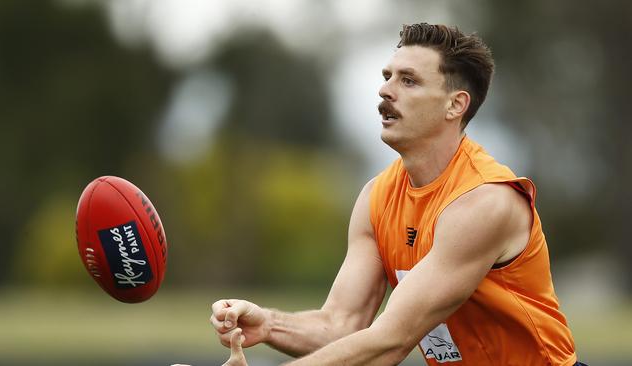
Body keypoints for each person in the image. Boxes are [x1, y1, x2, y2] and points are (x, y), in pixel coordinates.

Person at [209, 23, 583, 365]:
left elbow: (391, 341)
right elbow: (342, 325)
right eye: (388, 76)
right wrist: (270, 325)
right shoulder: (377, 196)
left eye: (408, 81)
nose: (385, 89)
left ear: (456, 105)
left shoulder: (485, 200)